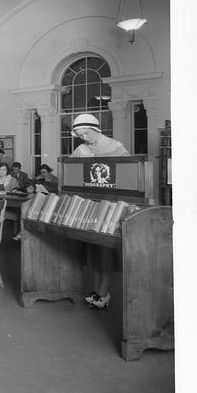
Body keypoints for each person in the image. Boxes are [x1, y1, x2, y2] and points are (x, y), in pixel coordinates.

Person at [69, 113, 130, 310]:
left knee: (105, 252)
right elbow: (70, 171)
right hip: (89, 205)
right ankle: (98, 291)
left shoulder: (116, 146)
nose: (83, 138)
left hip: (110, 206)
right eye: (80, 135)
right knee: (93, 250)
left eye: (86, 134)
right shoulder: (80, 149)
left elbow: (130, 174)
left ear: (96, 130)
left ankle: (104, 293)